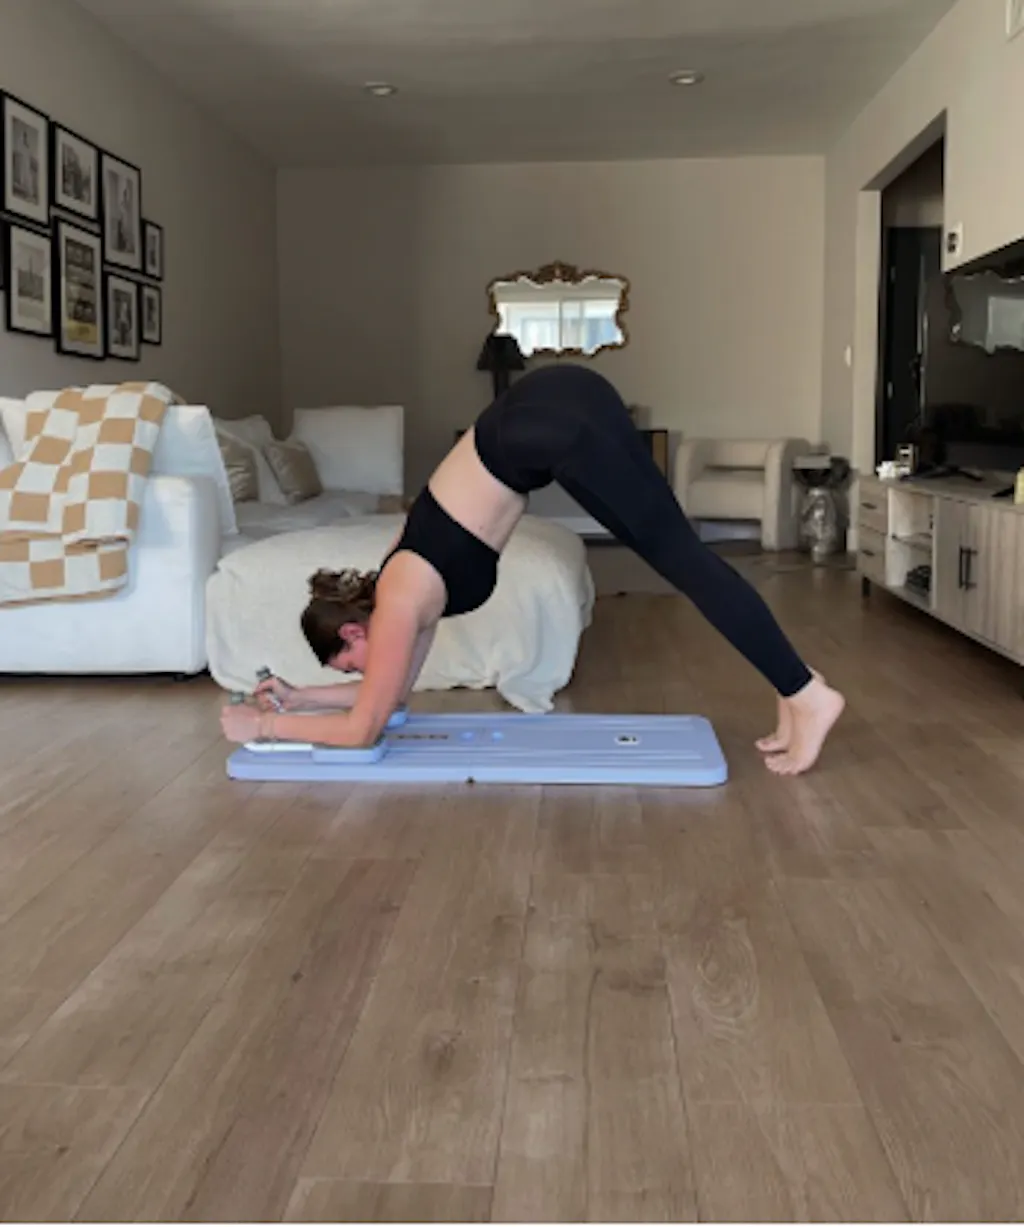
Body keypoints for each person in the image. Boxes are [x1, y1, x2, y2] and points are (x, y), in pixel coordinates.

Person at [220, 363, 845, 775]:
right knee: (675, 553)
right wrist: (301, 696)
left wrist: (266, 725)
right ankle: (793, 688)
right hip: (555, 408)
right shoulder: (404, 594)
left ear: (354, 632)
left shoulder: (400, 601)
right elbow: (388, 701)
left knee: (682, 558)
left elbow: (364, 729)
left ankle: (807, 693)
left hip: (549, 422)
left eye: (350, 664)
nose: (366, 671)